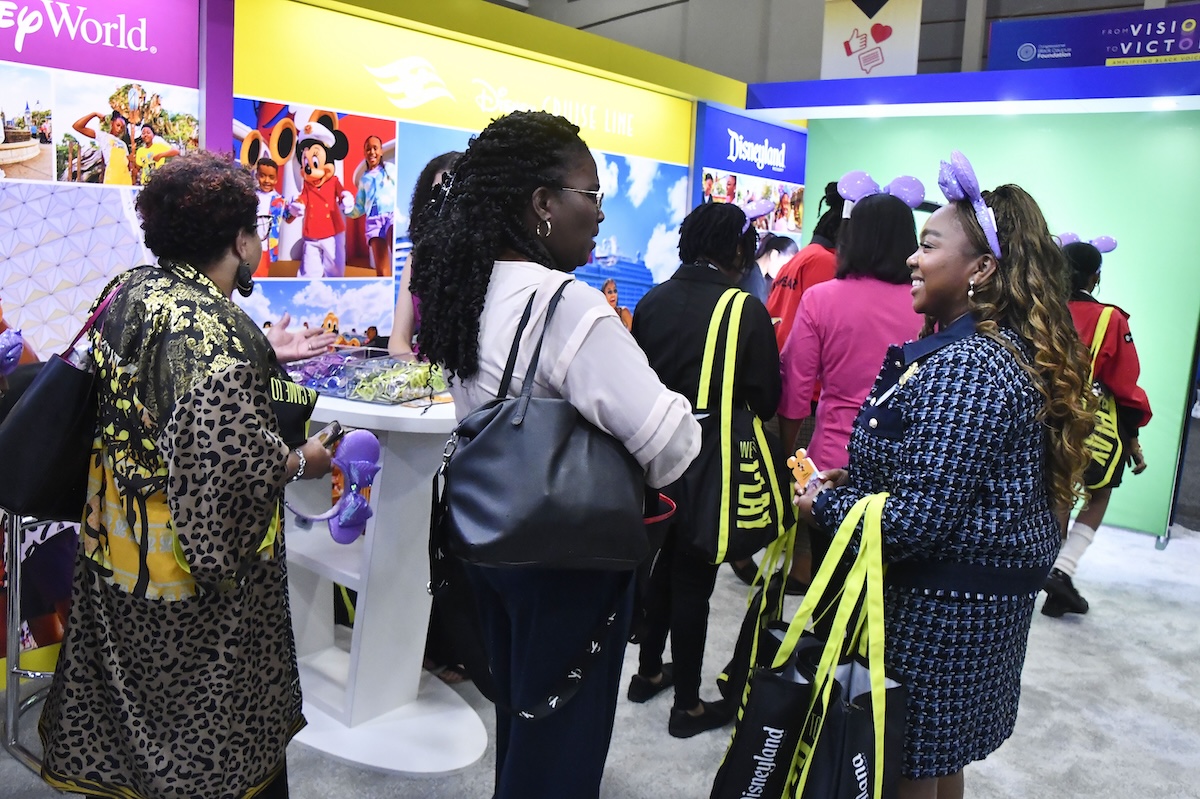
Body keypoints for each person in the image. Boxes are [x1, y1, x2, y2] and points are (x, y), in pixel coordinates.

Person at [409, 110, 698, 799]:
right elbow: (669, 443)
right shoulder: (567, 305)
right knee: (562, 754)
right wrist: (687, 410)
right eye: (590, 195)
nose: (600, 214)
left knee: (525, 724)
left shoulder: (469, 291)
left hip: (490, 544)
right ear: (543, 203)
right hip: (572, 562)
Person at [38, 152, 339, 799]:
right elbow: (223, 490)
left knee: (129, 740)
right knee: (201, 756)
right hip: (190, 606)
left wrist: (263, 353)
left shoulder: (128, 290)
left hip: (116, 567)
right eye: (256, 231)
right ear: (238, 240)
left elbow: (157, 395)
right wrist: (301, 460)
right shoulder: (217, 336)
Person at [796, 153, 1093, 799]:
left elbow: (915, 522)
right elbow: (951, 476)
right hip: (969, 613)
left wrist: (823, 505)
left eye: (929, 244)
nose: (912, 257)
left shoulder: (971, 365)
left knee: (908, 758)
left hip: (937, 617)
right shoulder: (996, 352)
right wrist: (864, 477)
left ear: (981, 268)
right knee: (936, 756)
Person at [628, 202, 780, 738]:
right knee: (695, 577)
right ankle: (688, 705)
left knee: (661, 564)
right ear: (737, 249)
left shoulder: (651, 301)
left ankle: (647, 672)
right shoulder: (744, 310)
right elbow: (765, 399)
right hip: (707, 459)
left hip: (651, 455)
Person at [778, 192, 924, 595]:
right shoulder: (926, 308)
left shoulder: (821, 299)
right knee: (885, 600)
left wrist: (788, 455)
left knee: (829, 593)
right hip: (907, 473)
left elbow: (794, 391)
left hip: (831, 465)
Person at [1043, 240, 1151, 617]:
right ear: (1096, 277)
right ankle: (1063, 568)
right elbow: (1124, 384)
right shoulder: (1111, 319)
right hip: (1091, 422)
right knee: (1098, 493)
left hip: (1045, 417)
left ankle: (1048, 571)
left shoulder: (1045, 310)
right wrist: (1134, 434)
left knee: (1060, 494)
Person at [388, 150, 461, 359]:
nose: (447, 206)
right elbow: (398, 340)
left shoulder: (491, 259)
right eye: (438, 196)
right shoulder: (416, 259)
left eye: (455, 194)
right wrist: (416, 373)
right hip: (425, 381)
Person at [347, 135, 397, 276]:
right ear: (364, 153)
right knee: (381, 270)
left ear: (381, 151)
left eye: (375, 148)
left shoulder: (390, 169)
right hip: (373, 222)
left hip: (390, 216)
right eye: (368, 149)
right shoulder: (364, 179)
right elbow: (359, 208)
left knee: (396, 248)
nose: (372, 152)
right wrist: (347, 210)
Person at [71, 110, 133, 185]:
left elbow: (129, 165)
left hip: (126, 180)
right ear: (112, 123)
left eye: (122, 127)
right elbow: (77, 126)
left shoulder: (123, 144)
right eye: (118, 125)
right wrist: (94, 114)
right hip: (112, 179)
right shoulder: (103, 136)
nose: (119, 129)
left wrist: (132, 159)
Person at [254, 157, 288, 278]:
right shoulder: (250, 195)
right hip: (249, 243)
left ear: (277, 178)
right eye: (262, 176)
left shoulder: (280, 200)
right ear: (257, 175)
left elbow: (288, 217)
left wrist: (296, 209)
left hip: (266, 247)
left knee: (261, 277)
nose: (267, 180)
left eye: (271, 177)